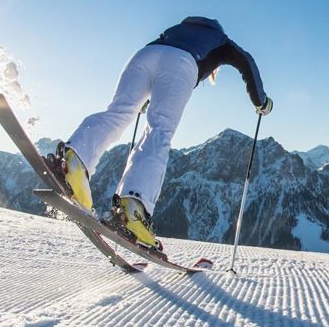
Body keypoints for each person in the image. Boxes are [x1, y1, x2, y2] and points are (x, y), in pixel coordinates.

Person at [50, 16, 271, 253]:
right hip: (182, 63)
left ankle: (73, 161)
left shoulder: (175, 30)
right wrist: (261, 101)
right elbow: (246, 61)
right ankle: (133, 209)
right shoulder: (221, 40)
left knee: (119, 111)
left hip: (144, 55)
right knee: (160, 130)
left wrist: (146, 97)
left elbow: (160, 61)